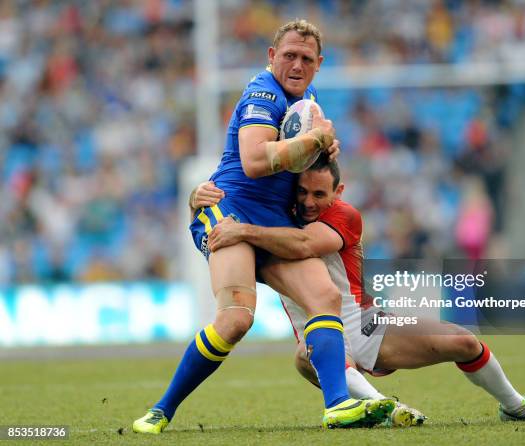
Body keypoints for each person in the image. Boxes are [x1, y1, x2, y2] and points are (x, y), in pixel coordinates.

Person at [133, 19, 394, 435]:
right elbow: (255, 163)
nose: (296, 64)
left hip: (272, 220)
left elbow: (312, 160)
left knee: (324, 295)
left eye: (306, 58)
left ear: (319, 64)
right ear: (272, 56)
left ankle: (338, 406)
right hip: (229, 210)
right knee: (236, 319)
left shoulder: (307, 99)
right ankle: (161, 410)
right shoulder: (262, 93)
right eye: (288, 55)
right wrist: (315, 140)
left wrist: (324, 145)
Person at [197, 155, 525, 425]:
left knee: (465, 342)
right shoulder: (278, 213)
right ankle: (387, 408)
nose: (309, 202)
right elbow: (227, 193)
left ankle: (515, 405)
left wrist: (245, 231)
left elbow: (303, 245)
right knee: (303, 355)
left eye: (319, 194)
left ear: (338, 191)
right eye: (303, 192)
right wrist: (195, 197)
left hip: (366, 324)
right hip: (320, 339)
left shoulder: (344, 215)